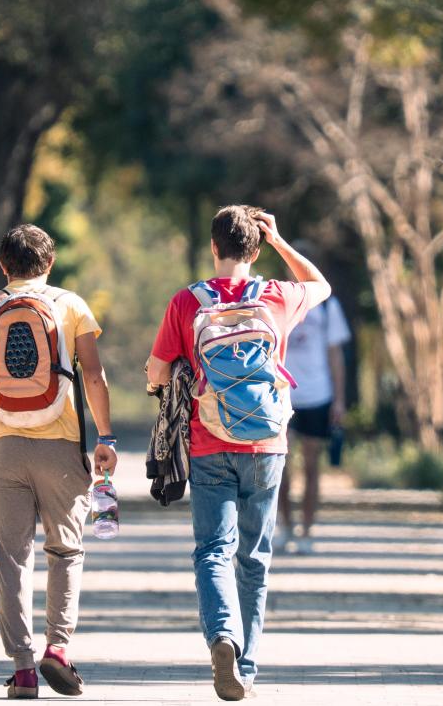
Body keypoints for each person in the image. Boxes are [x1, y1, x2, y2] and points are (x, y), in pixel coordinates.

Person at [146, 206, 330, 701]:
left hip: (208, 442)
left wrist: (166, 379)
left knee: (213, 550)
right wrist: (281, 242)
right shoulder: (277, 295)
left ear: (213, 247)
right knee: (254, 556)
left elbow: (157, 372)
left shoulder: (187, 302)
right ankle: (245, 667)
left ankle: (222, 636)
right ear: (254, 247)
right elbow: (322, 285)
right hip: (267, 444)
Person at [0, 224, 117, 700]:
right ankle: (58, 649)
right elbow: (95, 377)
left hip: (0, 448)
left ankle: (23, 669)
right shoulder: (71, 307)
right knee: (65, 551)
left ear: (2, 265)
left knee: (10, 560)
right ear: (50, 263)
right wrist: (104, 435)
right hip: (62, 449)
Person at [277, 244, 351, 555]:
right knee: (279, 466)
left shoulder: (327, 305)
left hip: (318, 395)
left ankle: (307, 529)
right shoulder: (277, 300)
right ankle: (284, 524)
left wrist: (339, 399)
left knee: (311, 465)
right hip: (281, 394)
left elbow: (335, 354)